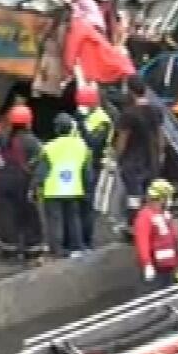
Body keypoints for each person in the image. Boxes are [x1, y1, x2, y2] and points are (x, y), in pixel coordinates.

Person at [0, 104, 42, 260]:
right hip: (23, 181)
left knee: (6, 216)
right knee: (29, 216)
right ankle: (31, 249)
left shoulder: (3, 136)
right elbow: (40, 161)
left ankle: (10, 249)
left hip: (3, 180)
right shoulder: (32, 141)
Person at [36, 113, 91, 259]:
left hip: (53, 190)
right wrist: (87, 188)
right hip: (73, 188)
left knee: (55, 220)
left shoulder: (49, 147)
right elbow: (87, 171)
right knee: (73, 218)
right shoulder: (81, 146)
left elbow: (42, 171)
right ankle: (77, 246)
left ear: (57, 129)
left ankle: (57, 249)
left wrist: (36, 185)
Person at [114, 77, 165, 227]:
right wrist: (160, 155)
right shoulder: (156, 110)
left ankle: (134, 225)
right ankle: (150, 222)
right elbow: (160, 135)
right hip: (151, 159)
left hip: (132, 161)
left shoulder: (128, 114)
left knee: (133, 196)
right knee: (150, 194)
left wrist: (117, 157)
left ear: (131, 91)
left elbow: (123, 139)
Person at [75, 84, 113, 252]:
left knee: (88, 205)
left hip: (92, 165)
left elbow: (94, 143)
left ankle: (87, 241)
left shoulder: (102, 121)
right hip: (78, 164)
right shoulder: (85, 116)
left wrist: (82, 123)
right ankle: (77, 239)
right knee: (78, 204)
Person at [134, 179, 178, 290]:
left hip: (169, 267)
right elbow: (142, 242)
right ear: (162, 198)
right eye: (169, 197)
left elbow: (173, 238)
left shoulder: (165, 214)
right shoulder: (145, 216)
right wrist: (147, 264)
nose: (171, 200)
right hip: (156, 269)